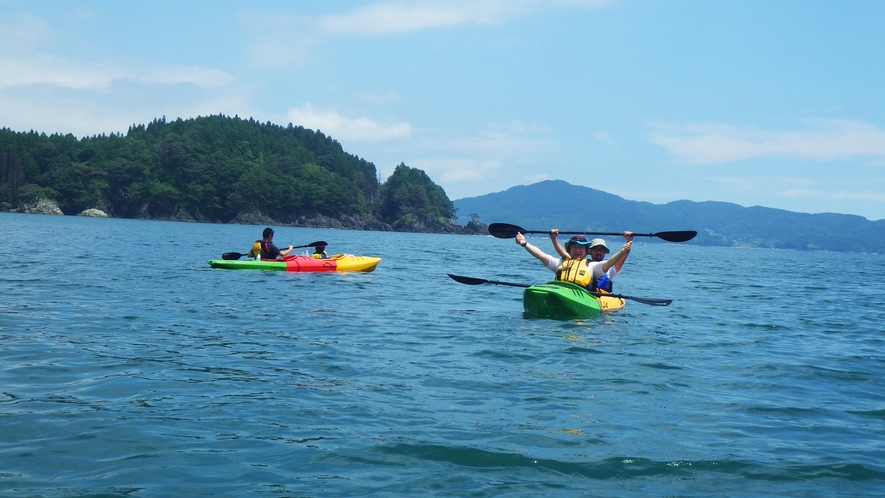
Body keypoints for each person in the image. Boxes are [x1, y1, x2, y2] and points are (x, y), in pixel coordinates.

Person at [516, 230, 631, 291]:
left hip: (582, 295)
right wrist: (524, 243)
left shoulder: (592, 266)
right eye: (574, 247)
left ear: (586, 251)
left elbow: (609, 263)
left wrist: (622, 251)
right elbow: (541, 255)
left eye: (581, 248)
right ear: (569, 250)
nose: (577, 250)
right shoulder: (561, 263)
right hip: (560, 291)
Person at [551, 231, 633, 292]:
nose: (598, 252)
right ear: (589, 251)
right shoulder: (580, 264)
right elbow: (564, 254)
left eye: (602, 250)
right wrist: (553, 238)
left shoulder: (610, 268)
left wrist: (629, 241)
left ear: (605, 252)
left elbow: (621, 258)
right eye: (595, 249)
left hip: (601, 298)